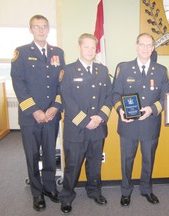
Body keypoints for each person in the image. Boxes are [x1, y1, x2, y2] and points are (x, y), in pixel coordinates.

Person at [10, 15, 65, 211]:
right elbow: (18, 84)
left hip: (51, 115)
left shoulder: (58, 52)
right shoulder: (22, 52)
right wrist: (34, 110)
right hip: (30, 117)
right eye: (37, 27)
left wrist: (54, 107)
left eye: (44, 27)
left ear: (48, 29)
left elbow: (62, 83)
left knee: (50, 153)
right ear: (31, 29)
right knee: (32, 155)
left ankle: (50, 187)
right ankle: (36, 192)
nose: (41, 30)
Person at [112, 33, 169, 206]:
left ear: (153, 48)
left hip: (150, 124)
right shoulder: (124, 68)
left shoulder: (161, 70)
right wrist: (121, 110)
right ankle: (125, 191)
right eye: (142, 44)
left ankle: (146, 189)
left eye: (149, 45)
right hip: (128, 125)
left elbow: (165, 98)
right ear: (136, 46)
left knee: (148, 160)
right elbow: (115, 94)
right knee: (127, 160)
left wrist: (152, 109)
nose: (145, 48)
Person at [59, 33, 112, 214]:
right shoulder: (68, 70)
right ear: (79, 47)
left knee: (95, 163)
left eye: (92, 47)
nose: (90, 50)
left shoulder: (102, 70)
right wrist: (85, 121)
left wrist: (100, 117)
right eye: (86, 47)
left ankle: (94, 191)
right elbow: (67, 99)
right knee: (73, 165)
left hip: (98, 127)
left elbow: (109, 97)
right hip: (76, 129)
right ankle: (66, 197)